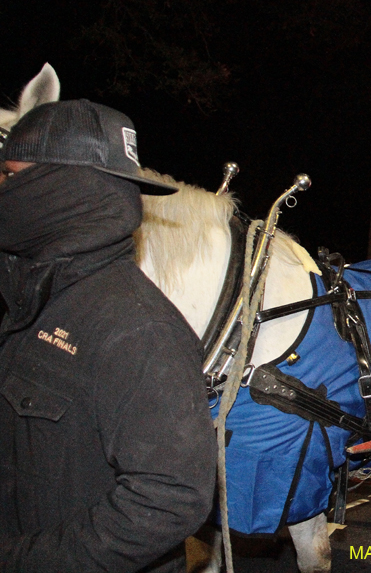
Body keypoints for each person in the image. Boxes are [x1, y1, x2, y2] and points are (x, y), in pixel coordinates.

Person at [0, 100, 216, 572]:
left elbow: (172, 497)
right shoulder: (27, 298)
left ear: (63, 191)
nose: (3, 191)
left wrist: (24, 561)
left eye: (10, 178)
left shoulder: (139, 330)